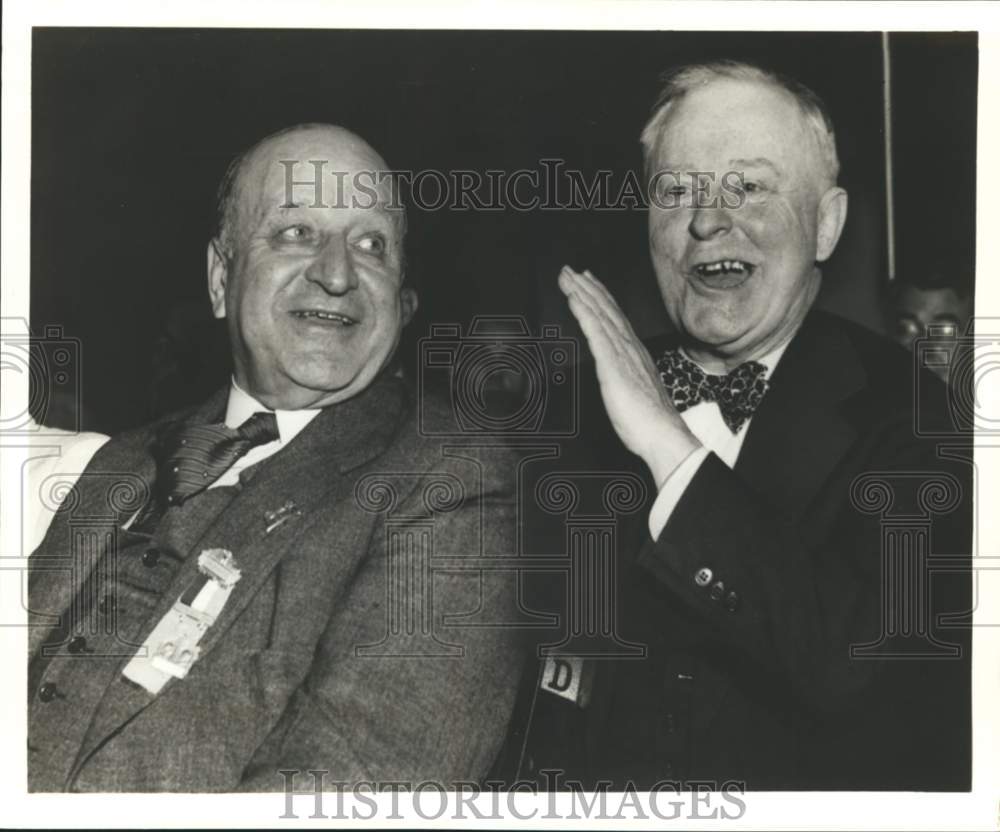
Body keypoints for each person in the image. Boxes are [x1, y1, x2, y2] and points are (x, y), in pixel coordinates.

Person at [510, 61, 972, 790]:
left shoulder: (919, 416)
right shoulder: (567, 409)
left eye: (750, 187)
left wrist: (668, 446)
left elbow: (853, 664)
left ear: (825, 223)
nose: (705, 221)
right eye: (676, 190)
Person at [27, 123, 523, 791]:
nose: (339, 273)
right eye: (297, 233)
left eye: (372, 245)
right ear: (221, 278)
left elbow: (353, 785)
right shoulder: (118, 458)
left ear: (404, 303)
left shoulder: (450, 481)